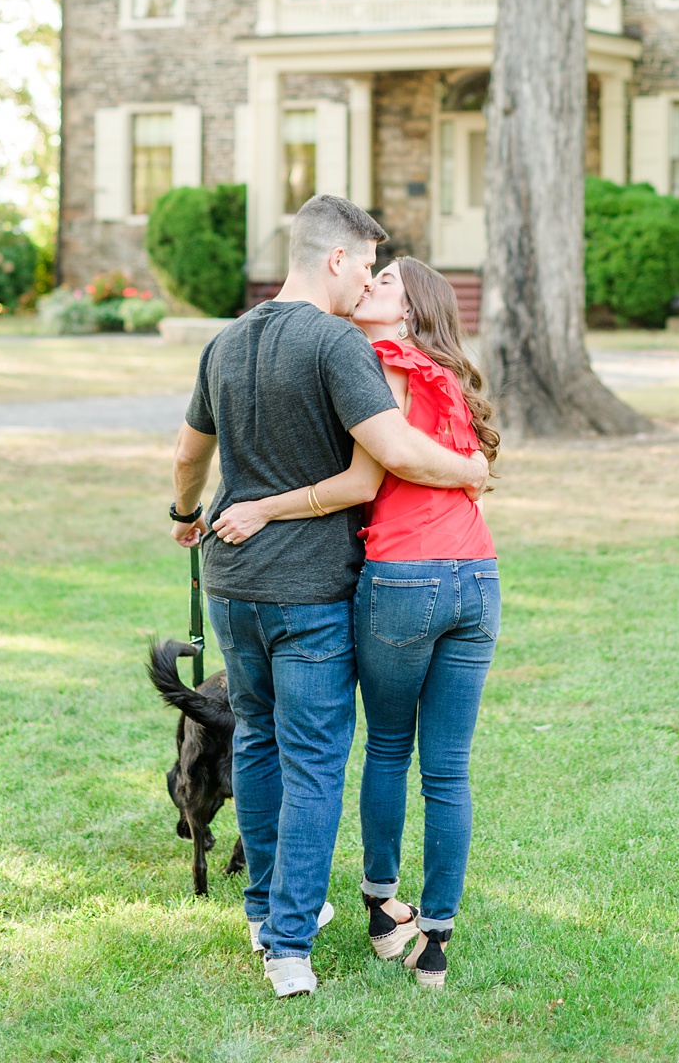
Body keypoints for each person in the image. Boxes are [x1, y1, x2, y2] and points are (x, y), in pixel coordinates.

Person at [169, 196, 489, 999]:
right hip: (309, 590)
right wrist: (471, 469)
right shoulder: (338, 346)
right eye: (368, 266)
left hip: (231, 584)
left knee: (256, 741)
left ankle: (262, 912)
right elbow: (385, 457)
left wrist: (185, 514)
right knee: (313, 762)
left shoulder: (224, 340)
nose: (370, 283)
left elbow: (187, 457)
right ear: (337, 260)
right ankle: (287, 946)